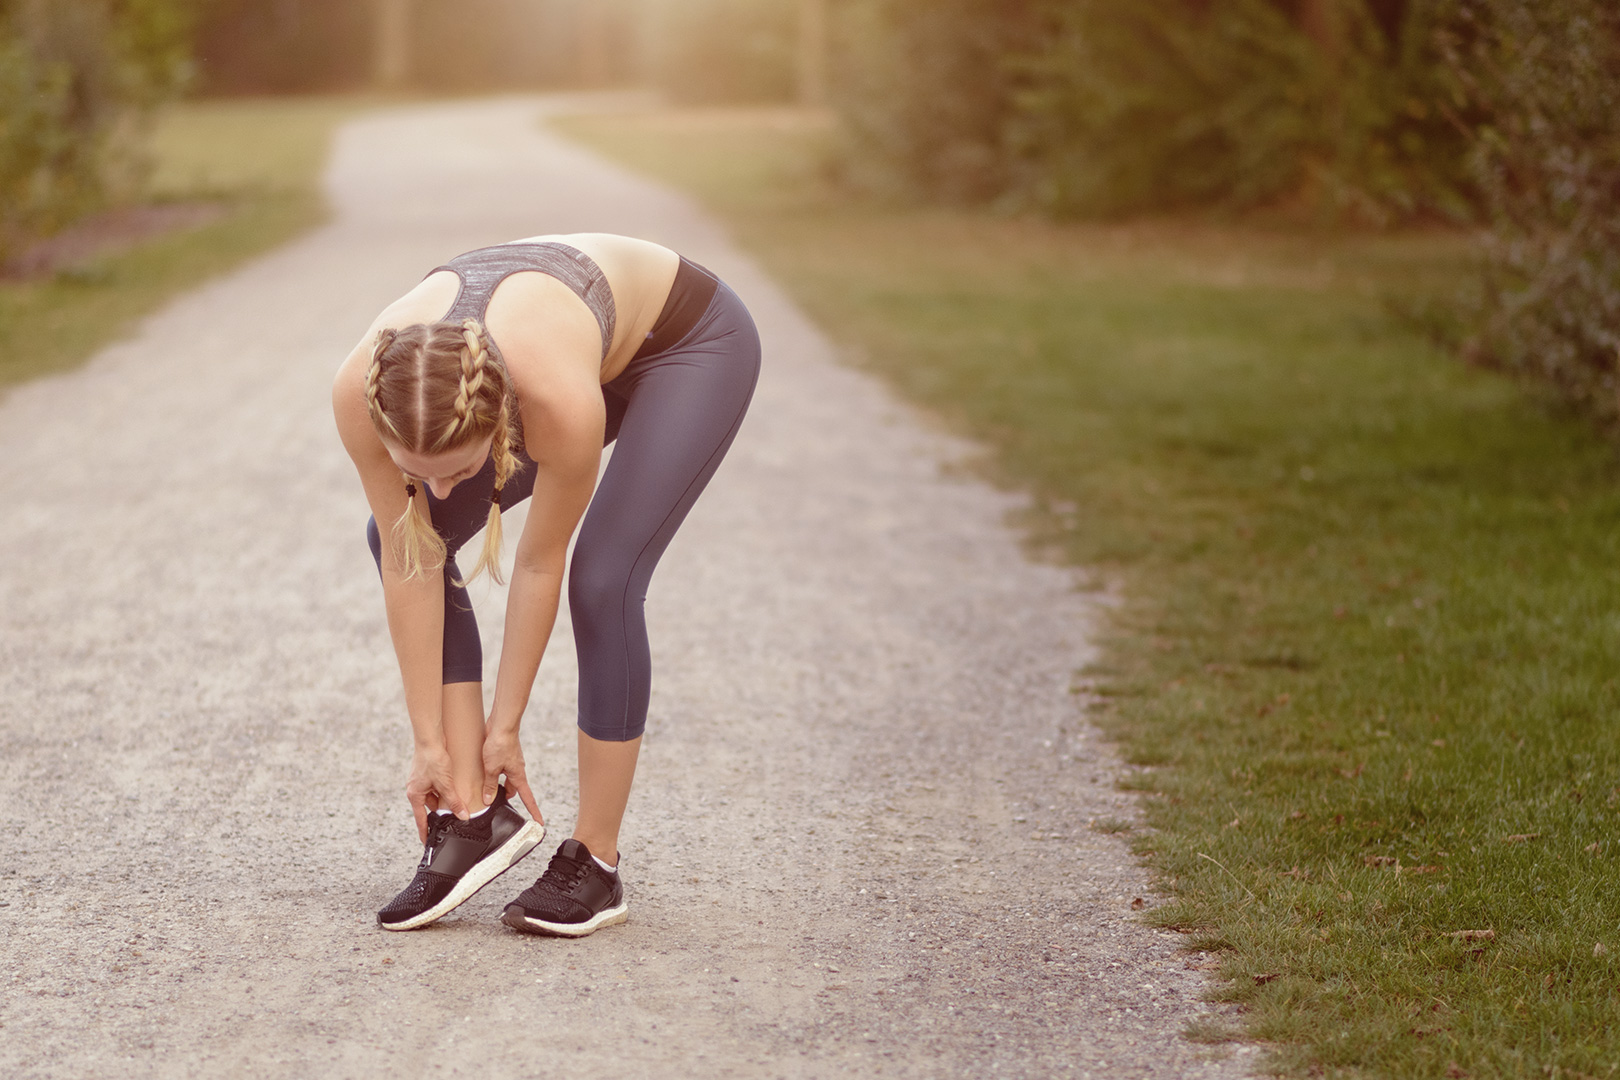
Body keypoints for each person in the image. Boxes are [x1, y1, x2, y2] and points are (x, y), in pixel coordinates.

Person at [332, 233, 760, 935]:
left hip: (685, 346)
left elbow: (538, 561)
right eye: (419, 470)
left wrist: (508, 727)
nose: (437, 488)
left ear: (499, 424)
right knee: (402, 534)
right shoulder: (360, 394)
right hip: (568, 342)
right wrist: (429, 745)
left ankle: (596, 863)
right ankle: (472, 812)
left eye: (457, 469)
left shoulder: (553, 400)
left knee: (604, 577)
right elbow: (413, 557)